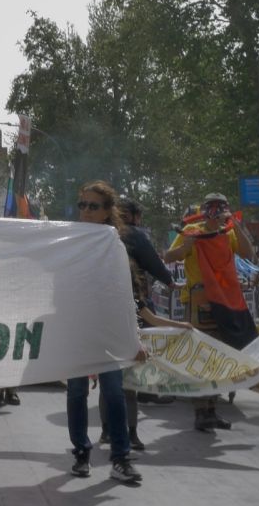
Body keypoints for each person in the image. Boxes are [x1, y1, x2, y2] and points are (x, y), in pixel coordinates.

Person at [92, 194, 192, 452]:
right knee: (120, 387)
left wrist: (182, 326)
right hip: (115, 339)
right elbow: (154, 264)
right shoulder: (133, 236)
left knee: (120, 387)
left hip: (122, 339)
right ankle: (119, 433)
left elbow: (150, 316)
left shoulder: (95, 235)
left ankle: (121, 432)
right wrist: (170, 282)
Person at [67, 181, 143, 483]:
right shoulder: (66, 242)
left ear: (107, 211)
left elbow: (125, 295)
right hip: (76, 329)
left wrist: (134, 339)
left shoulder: (114, 246)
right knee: (76, 392)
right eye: (82, 205)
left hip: (108, 332)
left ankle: (121, 458)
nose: (86, 211)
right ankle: (81, 453)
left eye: (93, 206)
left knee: (113, 392)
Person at [163, 192, 256, 432]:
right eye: (212, 207)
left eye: (220, 207)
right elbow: (169, 256)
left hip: (226, 300)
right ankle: (200, 412)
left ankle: (212, 411)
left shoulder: (229, 232)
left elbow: (249, 254)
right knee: (201, 357)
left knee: (219, 358)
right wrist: (186, 245)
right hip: (200, 301)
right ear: (204, 210)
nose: (216, 212)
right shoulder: (191, 230)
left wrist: (235, 224)